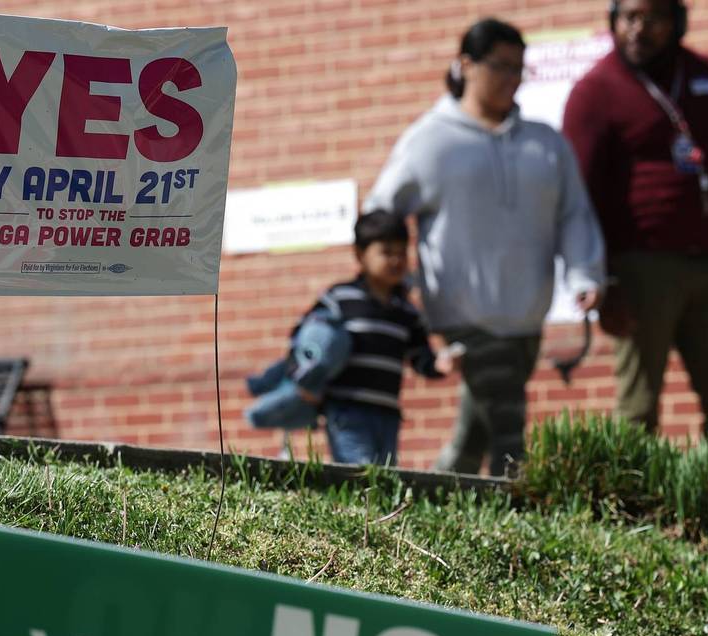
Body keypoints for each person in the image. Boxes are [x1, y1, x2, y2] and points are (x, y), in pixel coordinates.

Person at [365, 18, 607, 477]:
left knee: (473, 433)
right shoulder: (429, 141)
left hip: (526, 316)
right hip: (465, 317)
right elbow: (380, 213)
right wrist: (403, 280)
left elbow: (573, 213)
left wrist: (585, 275)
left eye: (520, 68)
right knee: (508, 431)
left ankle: (427, 501)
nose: (512, 78)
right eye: (500, 66)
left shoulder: (546, 144)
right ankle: (514, 509)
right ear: (465, 65)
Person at [562, 0, 708, 433]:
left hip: (707, 265)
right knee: (638, 411)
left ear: (677, 22)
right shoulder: (595, 90)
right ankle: (632, 502)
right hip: (637, 269)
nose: (638, 29)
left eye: (651, 18)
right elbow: (578, 197)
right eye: (628, 17)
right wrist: (604, 280)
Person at [250, 210, 451, 466]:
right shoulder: (340, 298)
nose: (396, 260)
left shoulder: (406, 311)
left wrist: (438, 366)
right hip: (346, 409)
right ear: (360, 255)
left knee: (385, 475)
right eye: (387, 252)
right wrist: (305, 382)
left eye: (402, 252)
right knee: (360, 473)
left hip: (388, 411)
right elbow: (302, 341)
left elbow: (419, 356)